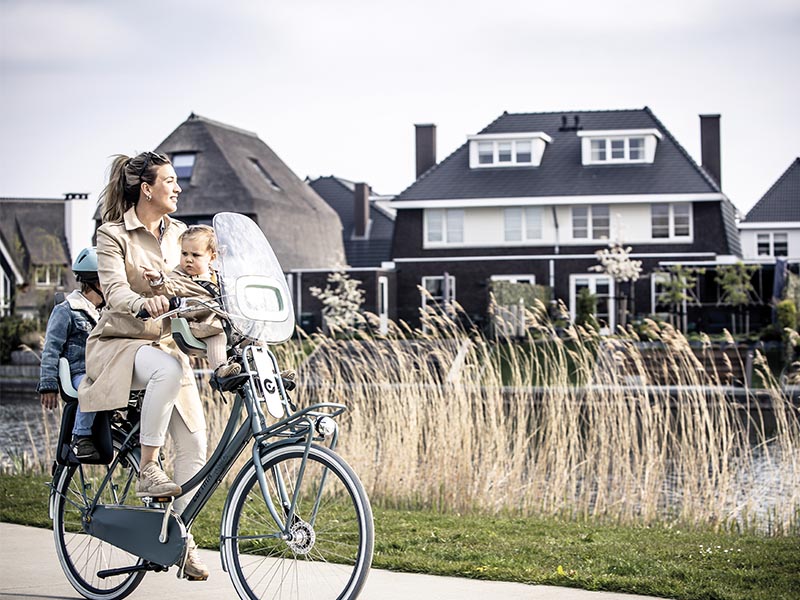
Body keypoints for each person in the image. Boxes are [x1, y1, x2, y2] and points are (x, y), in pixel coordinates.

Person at [78, 151, 209, 581]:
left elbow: (191, 283)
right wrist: (143, 302)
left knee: (195, 450)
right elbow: (114, 291)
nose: (178, 187)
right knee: (165, 371)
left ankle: (177, 539)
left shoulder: (179, 235)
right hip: (121, 345)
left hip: (167, 347)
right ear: (147, 188)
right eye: (170, 181)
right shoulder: (112, 234)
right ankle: (149, 468)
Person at [142, 224, 240, 379]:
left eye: (196, 255)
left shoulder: (218, 277)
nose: (188, 259)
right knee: (217, 334)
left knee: (253, 334)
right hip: (199, 323)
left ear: (212, 257)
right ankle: (221, 370)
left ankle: (269, 372)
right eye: (184, 253)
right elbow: (169, 287)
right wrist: (158, 280)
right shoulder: (179, 276)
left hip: (224, 320)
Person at [38, 248, 105, 461]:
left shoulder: (106, 312)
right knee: (94, 383)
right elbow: (51, 349)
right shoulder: (67, 310)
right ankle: (81, 437)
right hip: (79, 372)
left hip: (102, 369)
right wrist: (48, 385)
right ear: (96, 282)